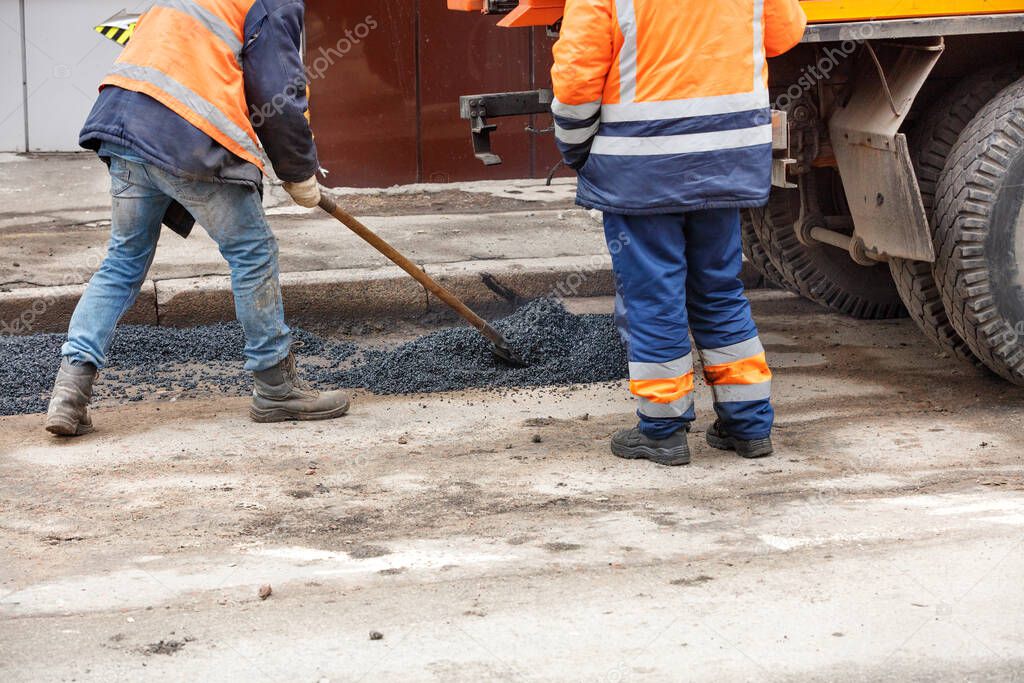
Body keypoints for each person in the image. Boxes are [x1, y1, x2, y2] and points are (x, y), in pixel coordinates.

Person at [45, 0, 349, 437]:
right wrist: (299, 171)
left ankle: (69, 393)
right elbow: (278, 92)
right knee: (252, 252)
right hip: (183, 134)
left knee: (122, 261)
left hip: (124, 124)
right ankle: (276, 388)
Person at [551, 0, 807, 465]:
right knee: (719, 290)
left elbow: (576, 77)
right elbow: (785, 32)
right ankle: (747, 427)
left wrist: (574, 148)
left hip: (643, 166)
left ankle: (663, 431)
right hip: (724, 160)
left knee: (654, 295)